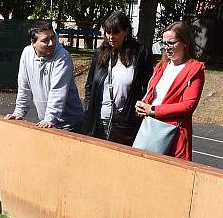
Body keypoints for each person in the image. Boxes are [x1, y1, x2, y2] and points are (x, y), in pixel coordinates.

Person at [135, 21, 205, 160]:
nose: (166, 47)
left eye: (171, 43)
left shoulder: (195, 69)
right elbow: (152, 95)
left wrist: (153, 110)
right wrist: (143, 106)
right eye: (164, 43)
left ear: (185, 42)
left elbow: (188, 105)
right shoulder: (161, 66)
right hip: (151, 129)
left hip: (174, 135)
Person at [81, 11, 153, 144]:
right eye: (108, 32)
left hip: (125, 125)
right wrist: (88, 108)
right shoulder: (100, 53)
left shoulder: (140, 53)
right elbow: (90, 85)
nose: (110, 37)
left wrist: (136, 114)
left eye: (115, 32)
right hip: (98, 121)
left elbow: (149, 87)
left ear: (126, 31)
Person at [5, 21, 84, 131]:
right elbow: (24, 86)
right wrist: (19, 112)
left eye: (53, 38)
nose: (51, 43)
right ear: (33, 42)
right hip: (48, 123)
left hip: (71, 124)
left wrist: (49, 119)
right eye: (45, 40)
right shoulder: (27, 53)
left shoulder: (62, 57)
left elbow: (58, 92)